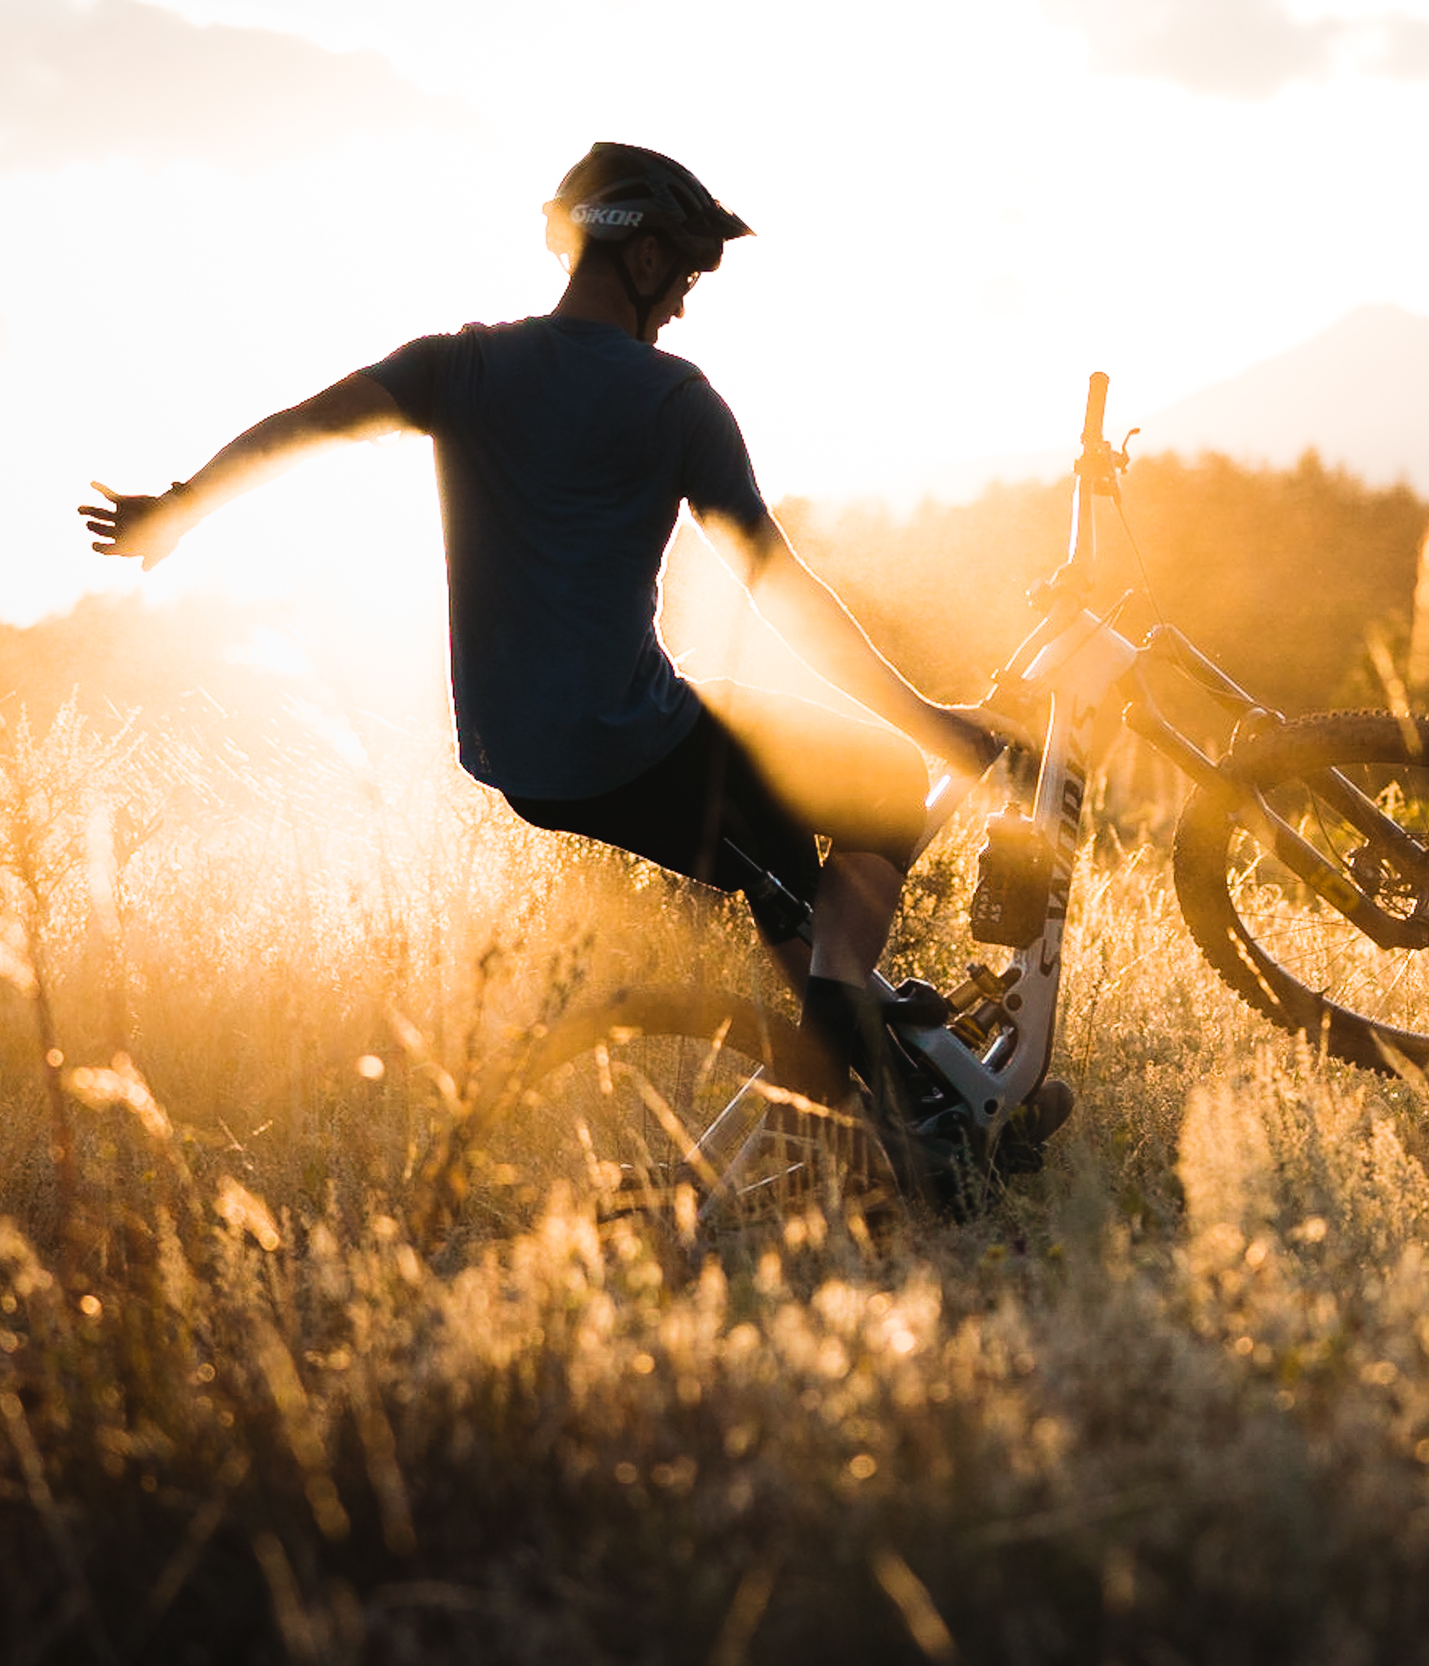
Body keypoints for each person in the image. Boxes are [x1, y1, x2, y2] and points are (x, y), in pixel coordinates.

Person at [82, 141, 1043, 1190]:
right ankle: (906, 1145)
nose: (682, 301)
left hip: (518, 754)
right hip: (626, 742)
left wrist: (178, 506)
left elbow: (299, 431)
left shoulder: (458, 365)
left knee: (798, 902)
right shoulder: (676, 401)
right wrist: (928, 723)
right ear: (638, 262)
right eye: (681, 275)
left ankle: (866, 1087)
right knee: (882, 793)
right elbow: (783, 594)